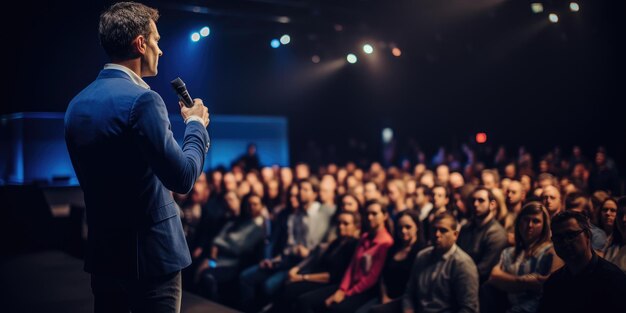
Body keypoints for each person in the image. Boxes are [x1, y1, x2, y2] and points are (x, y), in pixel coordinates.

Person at [64, 2, 210, 312]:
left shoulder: (76, 104)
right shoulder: (144, 100)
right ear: (140, 43)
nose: (161, 50)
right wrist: (196, 125)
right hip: (151, 258)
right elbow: (182, 177)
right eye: (157, 40)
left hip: (104, 254)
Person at [537, 211, 626, 313]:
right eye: (558, 238)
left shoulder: (613, 279)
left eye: (571, 235)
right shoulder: (553, 282)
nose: (565, 242)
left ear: (587, 235)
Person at [484, 202, 563, 313]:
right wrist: (526, 282)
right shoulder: (509, 252)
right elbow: (494, 277)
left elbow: (548, 287)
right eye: (526, 220)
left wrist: (508, 282)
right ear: (519, 222)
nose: (530, 225)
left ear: (544, 225)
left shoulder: (550, 251)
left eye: (536, 221)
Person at [402, 213, 479, 313]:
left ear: (455, 235)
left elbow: (469, 308)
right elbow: (409, 293)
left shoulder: (462, 264)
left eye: (443, 230)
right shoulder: (422, 256)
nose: (437, 235)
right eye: (434, 230)